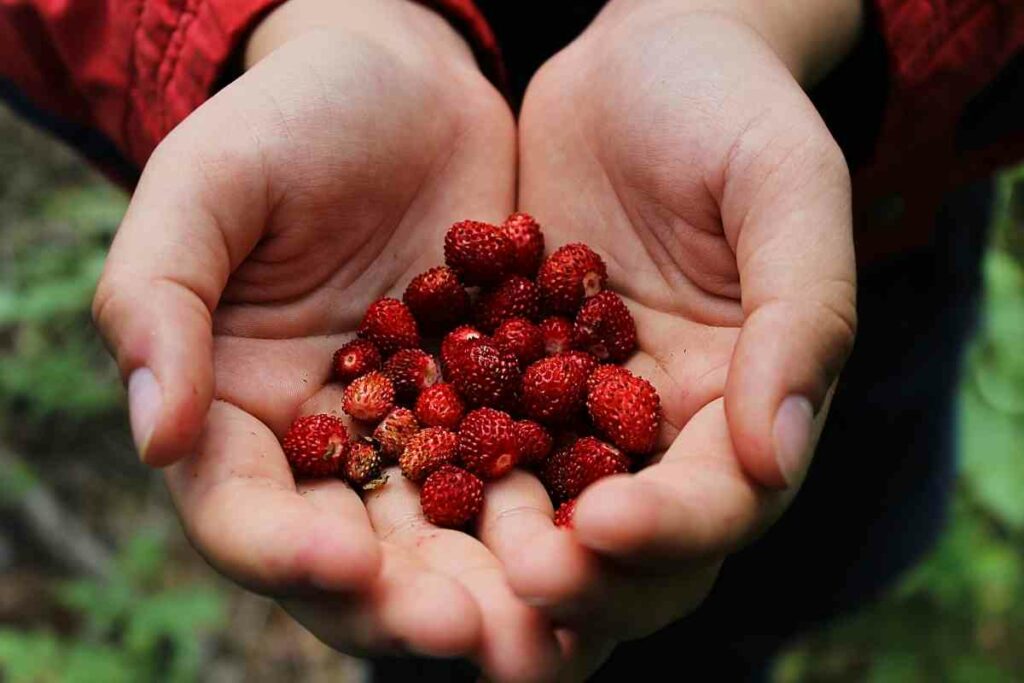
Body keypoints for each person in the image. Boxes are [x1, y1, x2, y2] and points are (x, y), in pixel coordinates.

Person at [2, 0, 1022, 679]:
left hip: (788, 235)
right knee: (451, 624)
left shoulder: (529, 354)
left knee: (735, 571)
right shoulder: (466, 361)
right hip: (714, 246)